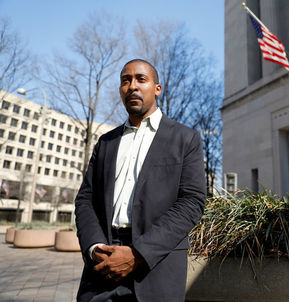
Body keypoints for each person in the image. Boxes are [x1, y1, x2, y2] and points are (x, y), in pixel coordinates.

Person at [75, 59, 206, 302]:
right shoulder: (106, 142)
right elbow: (85, 199)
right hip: (101, 266)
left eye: (141, 79)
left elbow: (192, 202)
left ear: (157, 88)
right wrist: (94, 248)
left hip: (155, 267)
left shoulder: (185, 139)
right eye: (126, 80)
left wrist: (139, 254)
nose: (132, 86)